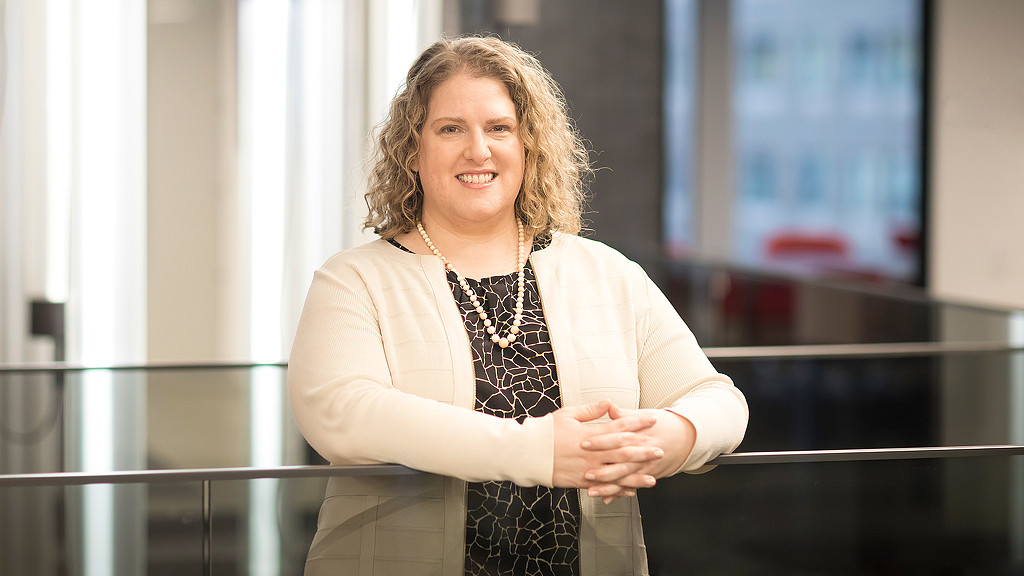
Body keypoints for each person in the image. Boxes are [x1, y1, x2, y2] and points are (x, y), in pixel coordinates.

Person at [288, 35, 748, 576]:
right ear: (413, 151)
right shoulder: (353, 279)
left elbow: (716, 398)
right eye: (450, 128)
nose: (478, 150)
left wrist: (670, 437)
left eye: (499, 128)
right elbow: (341, 413)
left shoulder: (606, 272)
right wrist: (539, 451)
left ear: (529, 145)